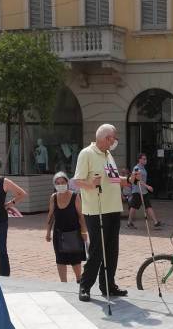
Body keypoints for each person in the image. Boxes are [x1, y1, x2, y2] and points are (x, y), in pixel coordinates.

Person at [73, 123, 131, 302]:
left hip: (113, 209)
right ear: (107, 138)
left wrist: (129, 179)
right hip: (96, 211)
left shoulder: (108, 154)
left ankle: (108, 285)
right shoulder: (87, 153)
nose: (115, 142)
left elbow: (114, 179)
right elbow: (77, 181)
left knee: (112, 250)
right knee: (97, 250)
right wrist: (91, 184)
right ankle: (85, 286)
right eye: (114, 138)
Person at [45, 171, 87, 283]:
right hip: (59, 234)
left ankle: (80, 282)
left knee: (75, 261)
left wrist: (84, 232)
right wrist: (48, 232)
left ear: (67, 183)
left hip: (74, 233)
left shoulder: (75, 196)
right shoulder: (53, 197)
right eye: (57, 183)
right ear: (55, 185)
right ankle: (63, 284)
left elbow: (81, 216)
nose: (60, 185)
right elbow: (51, 216)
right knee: (60, 260)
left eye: (62, 182)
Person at [126, 153, 162, 229]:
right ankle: (129, 222)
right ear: (139, 160)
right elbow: (137, 180)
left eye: (146, 159)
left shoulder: (143, 168)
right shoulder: (136, 168)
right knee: (133, 207)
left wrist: (146, 188)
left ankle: (156, 222)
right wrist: (147, 186)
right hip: (137, 191)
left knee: (148, 206)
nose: (145, 160)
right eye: (144, 159)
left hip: (144, 191)